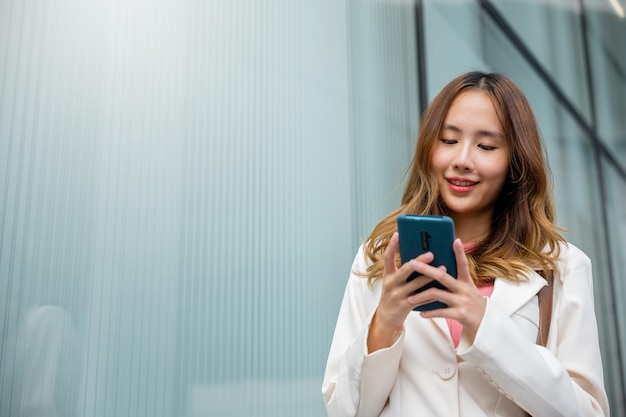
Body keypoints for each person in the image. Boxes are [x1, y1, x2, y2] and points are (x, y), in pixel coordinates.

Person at [321, 71, 610, 417]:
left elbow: (588, 412)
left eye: (486, 146)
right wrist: (384, 324)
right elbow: (343, 410)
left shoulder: (562, 266)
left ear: (515, 162)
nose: (463, 160)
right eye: (448, 140)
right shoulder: (379, 256)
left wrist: (484, 323)